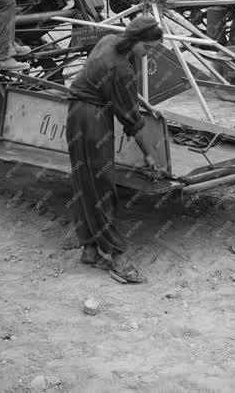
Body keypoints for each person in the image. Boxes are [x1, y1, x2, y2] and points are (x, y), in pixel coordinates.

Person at [66, 15, 164, 284]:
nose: (148, 54)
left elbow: (113, 85)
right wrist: (148, 154)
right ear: (135, 41)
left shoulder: (108, 41)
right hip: (93, 121)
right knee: (103, 187)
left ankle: (89, 248)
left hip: (75, 114)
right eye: (148, 48)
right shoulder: (121, 69)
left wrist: (141, 101)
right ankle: (117, 256)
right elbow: (130, 120)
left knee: (84, 182)